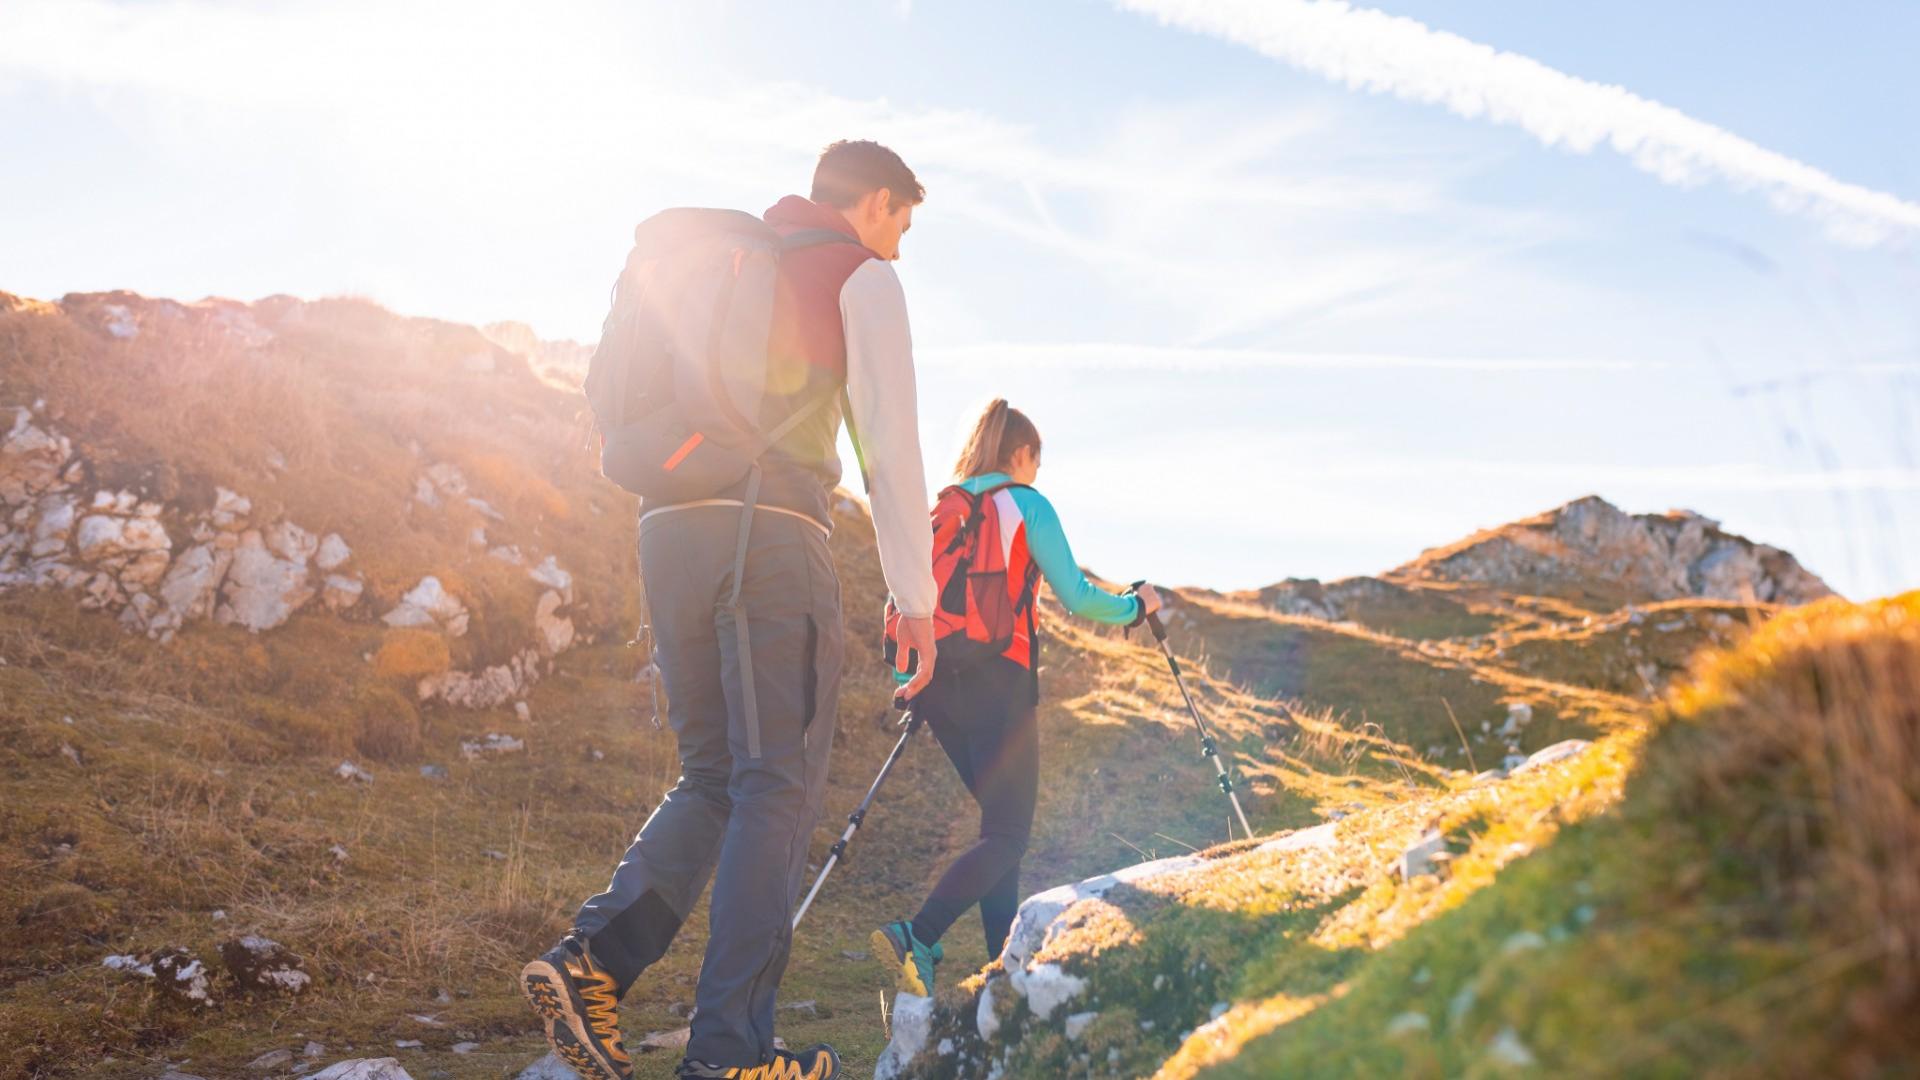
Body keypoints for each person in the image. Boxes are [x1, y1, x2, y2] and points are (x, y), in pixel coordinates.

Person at [521, 140, 941, 1080]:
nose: (901, 248)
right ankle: (730, 1059)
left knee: (714, 776)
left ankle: (590, 963)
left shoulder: (715, 262)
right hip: (772, 538)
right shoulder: (857, 276)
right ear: (875, 202)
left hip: (668, 531)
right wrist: (917, 603)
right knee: (776, 787)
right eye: (902, 223)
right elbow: (892, 448)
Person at [871, 399, 1162, 997]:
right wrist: (1136, 606)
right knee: (1007, 835)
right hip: (998, 683)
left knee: (997, 831)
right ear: (1022, 454)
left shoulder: (942, 510)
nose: (1036, 472)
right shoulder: (1026, 504)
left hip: (935, 684)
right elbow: (1078, 596)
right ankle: (917, 935)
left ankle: (1004, 969)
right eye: (1036, 461)